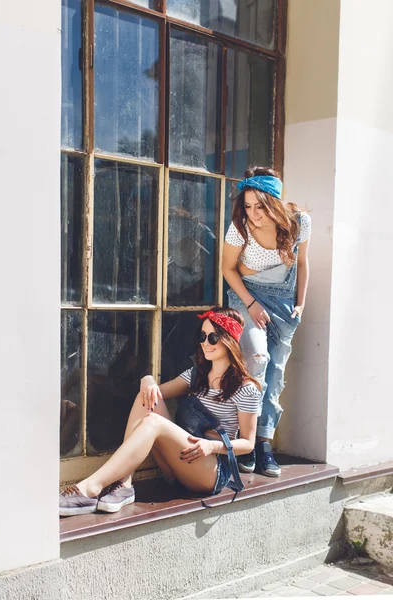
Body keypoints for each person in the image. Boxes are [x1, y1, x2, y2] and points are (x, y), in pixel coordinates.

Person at [59, 307, 262, 516]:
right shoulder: (196, 375)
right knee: (147, 397)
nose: (205, 343)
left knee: (153, 421)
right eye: (202, 336)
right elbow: (153, 395)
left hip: (210, 471)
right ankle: (124, 483)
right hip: (180, 462)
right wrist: (147, 379)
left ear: (229, 339)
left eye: (212, 337)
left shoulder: (245, 388)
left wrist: (212, 446)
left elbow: (248, 443)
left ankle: (90, 488)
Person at [222, 166, 311, 477]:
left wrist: (300, 303)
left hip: (284, 304)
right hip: (246, 297)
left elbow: (301, 263)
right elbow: (228, 269)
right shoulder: (240, 227)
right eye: (247, 206)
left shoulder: (299, 223)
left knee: (275, 376)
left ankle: (263, 444)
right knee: (256, 359)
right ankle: (241, 441)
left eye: (259, 206)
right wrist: (251, 304)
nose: (253, 213)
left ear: (274, 202)